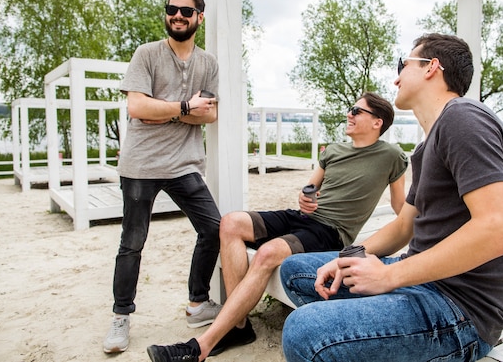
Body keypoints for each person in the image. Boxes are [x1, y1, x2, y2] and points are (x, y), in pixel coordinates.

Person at [279, 33, 503, 362]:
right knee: (296, 270)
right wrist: (347, 256)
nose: (396, 78)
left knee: (302, 331)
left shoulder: (463, 117)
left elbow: (498, 230)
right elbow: (403, 226)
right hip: (420, 277)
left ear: (431, 68)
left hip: (459, 308)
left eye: (403, 64)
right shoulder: (427, 144)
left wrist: (388, 276)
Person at [146, 92, 409, 362]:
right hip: (303, 218)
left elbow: (401, 205)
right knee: (230, 223)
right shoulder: (333, 151)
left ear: (377, 122)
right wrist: (306, 199)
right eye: (350, 109)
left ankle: (201, 346)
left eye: (357, 111)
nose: (349, 114)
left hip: (331, 231)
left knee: (267, 253)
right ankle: (237, 325)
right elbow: (310, 189)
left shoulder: (391, 155)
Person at [103, 0, 223, 354]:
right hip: (140, 165)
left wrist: (165, 109)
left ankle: (197, 303)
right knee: (132, 242)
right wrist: (186, 108)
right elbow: (137, 108)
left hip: (184, 165)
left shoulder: (208, 63)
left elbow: (213, 114)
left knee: (215, 229)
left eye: (186, 12)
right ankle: (121, 316)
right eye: (172, 9)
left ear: (199, 18)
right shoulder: (147, 54)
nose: (178, 16)